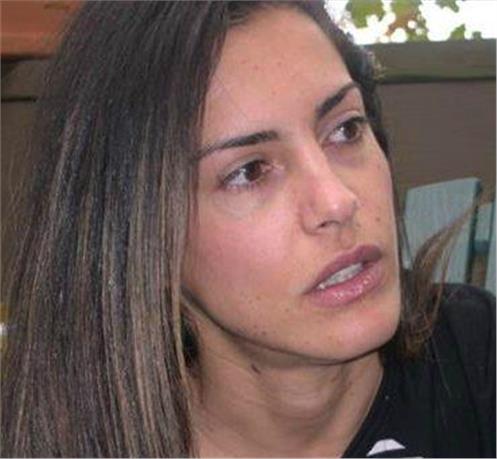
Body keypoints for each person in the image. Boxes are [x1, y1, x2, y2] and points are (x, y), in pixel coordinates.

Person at [1, 2, 494, 457]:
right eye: (249, 172)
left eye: (345, 129)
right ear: (138, 238)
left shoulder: (478, 368)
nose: (337, 201)